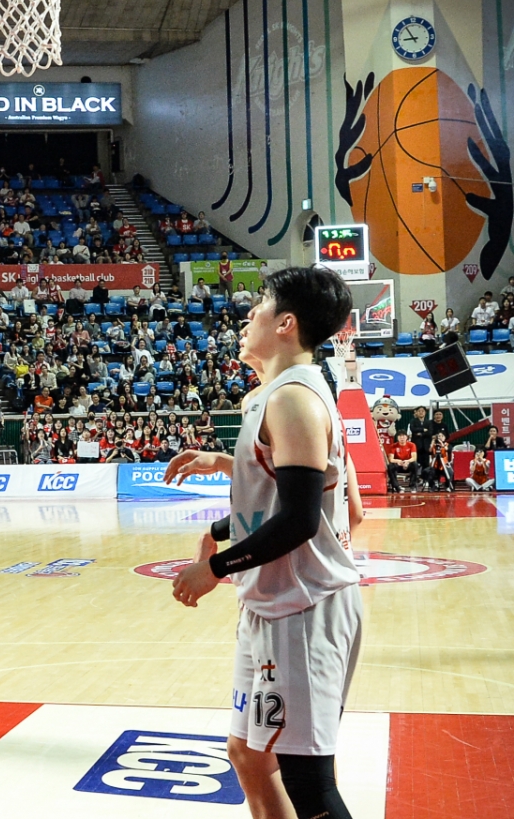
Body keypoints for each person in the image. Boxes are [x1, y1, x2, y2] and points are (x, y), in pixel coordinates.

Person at [165, 266, 361, 819]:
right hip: (275, 607)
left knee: (309, 784)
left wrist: (215, 568)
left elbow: (299, 518)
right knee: (249, 755)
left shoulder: (294, 398)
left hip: (303, 611)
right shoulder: (275, 395)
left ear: (286, 324)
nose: (249, 314)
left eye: (262, 304)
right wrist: (226, 469)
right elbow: (324, 499)